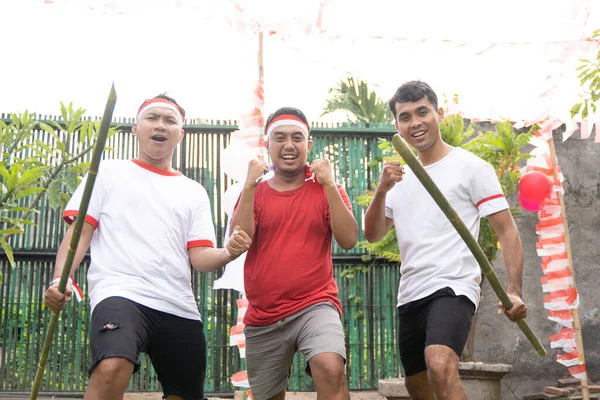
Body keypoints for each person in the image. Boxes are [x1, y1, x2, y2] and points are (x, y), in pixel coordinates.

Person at [44, 94, 252, 400]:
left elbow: (200, 258)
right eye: (152, 118)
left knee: (184, 394)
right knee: (112, 366)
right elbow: (79, 236)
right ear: (135, 127)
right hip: (120, 292)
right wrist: (58, 279)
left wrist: (228, 252)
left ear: (181, 134)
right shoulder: (107, 173)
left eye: (170, 121)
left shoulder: (193, 192)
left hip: (177, 304)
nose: (161, 125)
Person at [364, 81, 527, 400]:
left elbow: (507, 230)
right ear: (397, 125)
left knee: (439, 364)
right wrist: (382, 189)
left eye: (422, 112)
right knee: (418, 385)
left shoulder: (471, 168)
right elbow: (373, 234)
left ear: (438, 113)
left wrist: (514, 290)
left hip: (454, 285)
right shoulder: (399, 179)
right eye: (406, 117)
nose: (415, 122)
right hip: (410, 292)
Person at [230, 107, 358, 400]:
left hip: (315, 305)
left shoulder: (328, 189)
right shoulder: (255, 192)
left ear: (308, 145)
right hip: (264, 315)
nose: (289, 145)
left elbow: (349, 239)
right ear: (267, 145)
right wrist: (249, 184)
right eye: (280, 137)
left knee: (331, 368)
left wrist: (327, 183)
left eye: (297, 138)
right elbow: (240, 241)